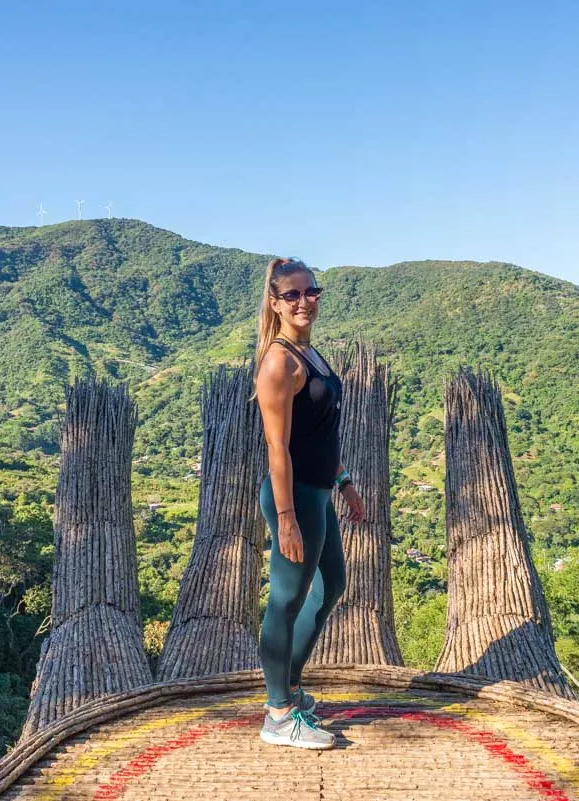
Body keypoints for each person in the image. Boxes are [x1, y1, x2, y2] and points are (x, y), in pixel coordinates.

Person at [252, 256, 364, 749]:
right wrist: (286, 519)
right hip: (292, 497)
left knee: (331, 585)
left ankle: (290, 689)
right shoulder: (279, 361)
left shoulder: (311, 354)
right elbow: (279, 448)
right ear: (275, 302)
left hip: (319, 492)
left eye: (311, 292)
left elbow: (320, 434)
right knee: (286, 598)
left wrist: (343, 480)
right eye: (292, 295)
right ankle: (277, 714)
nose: (304, 302)